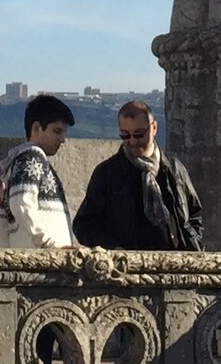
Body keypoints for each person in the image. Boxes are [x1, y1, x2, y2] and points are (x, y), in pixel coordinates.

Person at [74, 99, 202, 251]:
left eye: (139, 134)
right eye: (125, 135)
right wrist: (115, 249)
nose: (133, 141)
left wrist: (194, 246)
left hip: (177, 266)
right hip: (130, 268)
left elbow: (194, 214)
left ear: (154, 128)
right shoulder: (107, 173)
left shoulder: (175, 169)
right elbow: (84, 224)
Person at [0, 93, 77, 248]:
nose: (63, 139)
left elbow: (2, 221)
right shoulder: (32, 157)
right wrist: (49, 244)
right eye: (57, 131)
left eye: (64, 132)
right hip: (44, 262)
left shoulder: (17, 162)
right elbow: (22, 204)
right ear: (37, 128)